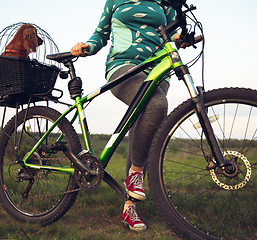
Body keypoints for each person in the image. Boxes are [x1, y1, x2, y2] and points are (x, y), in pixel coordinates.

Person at [71, 0, 180, 232]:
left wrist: (183, 37)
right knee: (157, 104)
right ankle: (134, 176)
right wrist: (87, 46)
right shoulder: (115, 1)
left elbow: (173, 32)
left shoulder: (164, 2)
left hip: (159, 68)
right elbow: (100, 35)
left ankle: (130, 206)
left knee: (144, 132)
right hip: (124, 66)